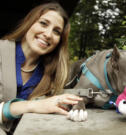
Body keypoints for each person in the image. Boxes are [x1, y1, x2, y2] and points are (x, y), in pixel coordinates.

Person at [0, 2, 82, 134]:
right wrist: (31, 106)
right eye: (43, 23)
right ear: (29, 22)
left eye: (56, 31)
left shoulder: (52, 74)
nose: (48, 34)